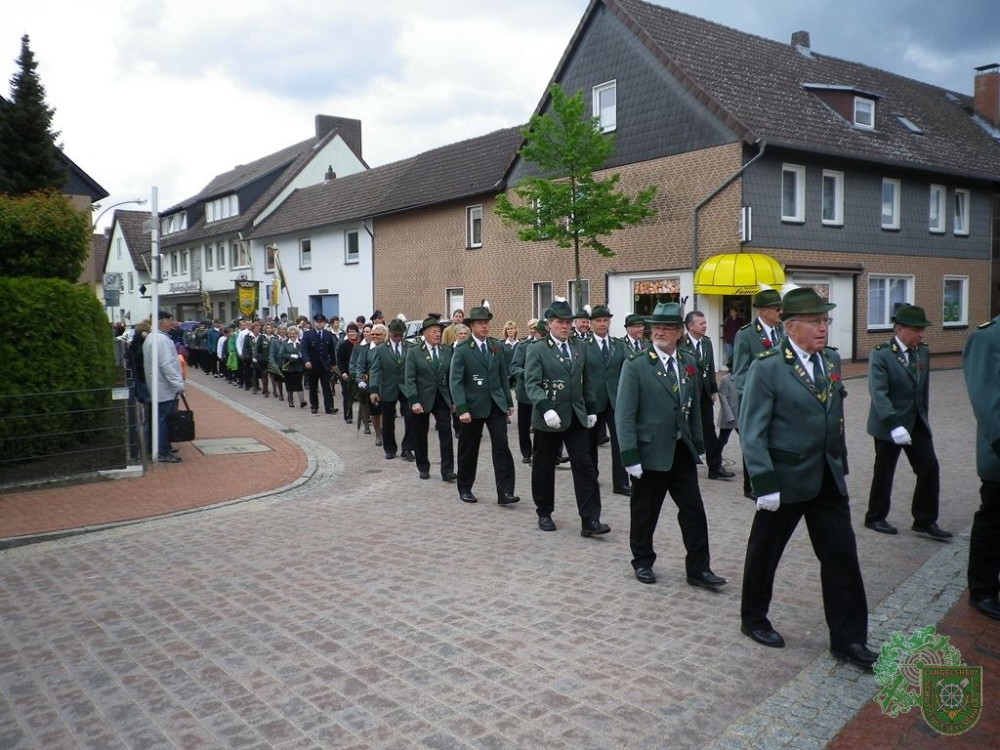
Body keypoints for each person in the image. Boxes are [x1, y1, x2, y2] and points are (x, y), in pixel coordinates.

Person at [739, 288, 876, 669]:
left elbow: (834, 419)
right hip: (783, 481)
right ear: (791, 326)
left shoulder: (830, 361)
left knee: (842, 555)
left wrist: (840, 462)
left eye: (825, 321)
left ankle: (848, 640)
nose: (822, 328)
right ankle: (753, 618)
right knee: (765, 553)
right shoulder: (767, 367)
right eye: (815, 322)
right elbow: (752, 430)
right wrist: (763, 481)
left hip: (827, 479)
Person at [616, 302, 724, 589]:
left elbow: (695, 408)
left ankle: (699, 568)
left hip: (681, 451)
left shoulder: (688, 361)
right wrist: (629, 455)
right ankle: (642, 561)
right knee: (645, 512)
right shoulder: (637, 365)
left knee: (693, 511)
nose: (660, 332)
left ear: (679, 332)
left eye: (667, 328)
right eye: (656, 327)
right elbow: (624, 413)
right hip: (649, 453)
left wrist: (698, 444)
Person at [864, 305, 951, 540]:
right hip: (888, 425)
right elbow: (879, 393)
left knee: (929, 468)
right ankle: (875, 517)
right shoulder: (881, 353)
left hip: (916, 423)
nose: (921, 334)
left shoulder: (921, 351)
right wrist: (894, 425)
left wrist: (923, 417)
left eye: (922, 329)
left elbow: (923, 391)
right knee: (884, 472)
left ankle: (924, 520)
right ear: (900, 329)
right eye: (917, 330)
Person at [525, 300, 607, 535]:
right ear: (550, 323)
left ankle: (590, 519)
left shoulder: (579, 346)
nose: (565, 326)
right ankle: (544, 511)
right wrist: (545, 407)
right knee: (543, 466)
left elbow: (587, 380)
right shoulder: (538, 348)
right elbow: (532, 383)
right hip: (549, 417)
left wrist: (591, 409)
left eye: (568, 322)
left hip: (575, 416)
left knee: (585, 466)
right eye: (560, 322)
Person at [449, 304, 519, 505]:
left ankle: (505, 492)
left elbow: (502, 376)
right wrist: (461, 408)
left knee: (502, 447)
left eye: (486, 323)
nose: (484, 327)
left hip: (495, 405)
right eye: (480, 323)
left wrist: (507, 401)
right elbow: (456, 381)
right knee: (468, 448)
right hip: (472, 406)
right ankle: (465, 487)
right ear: (471, 326)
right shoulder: (463, 349)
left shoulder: (495, 346)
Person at [962, 311, 1000, 621]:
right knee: (993, 520)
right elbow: (986, 402)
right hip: (999, 453)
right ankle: (983, 589)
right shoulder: (987, 338)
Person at [732, 288, 784, 498]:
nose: (780, 312)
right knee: (753, 438)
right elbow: (740, 370)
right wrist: (750, 397)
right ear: (763, 311)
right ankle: (751, 485)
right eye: (776, 308)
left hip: (778, 397)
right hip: (754, 396)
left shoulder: (781, 332)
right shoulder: (746, 334)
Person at [584, 304, 630, 496]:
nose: (603, 324)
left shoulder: (618, 345)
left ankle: (621, 483)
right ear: (591, 323)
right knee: (589, 442)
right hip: (592, 401)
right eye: (599, 321)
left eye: (605, 321)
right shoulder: (583, 346)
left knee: (620, 442)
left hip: (615, 400)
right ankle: (590, 477)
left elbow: (629, 370)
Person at [683, 310, 734, 481]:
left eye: (705, 323)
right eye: (701, 323)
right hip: (687, 395)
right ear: (690, 326)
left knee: (709, 430)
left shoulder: (706, 343)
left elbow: (710, 368)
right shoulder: (681, 344)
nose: (705, 326)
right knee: (686, 430)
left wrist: (713, 389)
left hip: (703, 394)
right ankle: (685, 466)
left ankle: (715, 467)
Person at [404, 317, 456, 481]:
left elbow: (451, 378)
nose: (437, 334)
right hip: (422, 398)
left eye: (439, 331)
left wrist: (454, 400)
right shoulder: (414, 351)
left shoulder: (447, 351)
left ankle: (447, 470)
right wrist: (414, 401)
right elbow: (409, 378)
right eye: (434, 331)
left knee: (446, 432)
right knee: (421, 434)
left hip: (442, 398)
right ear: (424, 333)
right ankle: (423, 466)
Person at [143, 310, 186, 463]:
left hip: (159, 386)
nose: (171, 323)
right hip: (165, 388)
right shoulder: (161, 340)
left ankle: (162, 447)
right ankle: (162, 450)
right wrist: (178, 385)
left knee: (161, 418)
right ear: (162, 321)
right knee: (165, 419)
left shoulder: (152, 338)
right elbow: (167, 365)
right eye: (169, 320)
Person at [369, 317, 414, 461]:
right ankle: (390, 448)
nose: (398, 338)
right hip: (387, 387)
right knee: (388, 420)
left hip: (406, 388)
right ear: (390, 334)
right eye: (395, 335)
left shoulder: (409, 347)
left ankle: (407, 448)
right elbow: (375, 370)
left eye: (401, 335)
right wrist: (374, 390)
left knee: (411, 417)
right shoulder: (381, 349)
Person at [511, 319, 546, 464]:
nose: (544, 337)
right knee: (524, 425)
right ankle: (526, 452)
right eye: (542, 334)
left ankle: (552, 453)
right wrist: (531, 375)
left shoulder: (550, 347)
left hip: (545, 392)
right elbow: (514, 368)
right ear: (536, 333)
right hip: (526, 391)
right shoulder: (524, 346)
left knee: (546, 423)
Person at [301, 313, 338, 415]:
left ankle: (329, 406)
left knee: (327, 386)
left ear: (324, 323)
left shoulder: (328, 334)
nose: (319, 324)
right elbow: (303, 349)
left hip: (324, 364)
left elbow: (331, 350)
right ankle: (314, 406)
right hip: (312, 364)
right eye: (318, 322)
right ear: (314, 323)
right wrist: (306, 360)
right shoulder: (308, 334)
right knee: (313, 386)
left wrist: (333, 364)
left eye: (321, 322)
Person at [278, 325, 308, 408]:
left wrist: (301, 355)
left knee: (299, 383)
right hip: (288, 367)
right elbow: (281, 354)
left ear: (297, 334)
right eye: (290, 334)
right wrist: (290, 356)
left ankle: (302, 401)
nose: (292, 335)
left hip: (298, 367)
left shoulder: (301, 342)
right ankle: (290, 400)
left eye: (294, 333)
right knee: (289, 384)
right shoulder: (285, 343)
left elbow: (305, 352)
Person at [337, 324, 358, 423]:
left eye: (354, 331)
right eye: (350, 331)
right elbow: (340, 361)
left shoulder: (360, 344)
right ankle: (348, 415)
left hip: (359, 373)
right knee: (348, 395)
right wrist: (343, 372)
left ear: (357, 332)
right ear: (347, 333)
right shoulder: (343, 345)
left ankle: (366, 416)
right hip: (347, 374)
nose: (352, 333)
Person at [717, 358, 738, 456]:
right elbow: (723, 400)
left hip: (739, 417)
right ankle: (716, 460)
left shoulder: (743, 377)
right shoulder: (726, 380)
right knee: (722, 440)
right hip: (728, 418)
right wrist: (730, 417)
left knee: (746, 441)